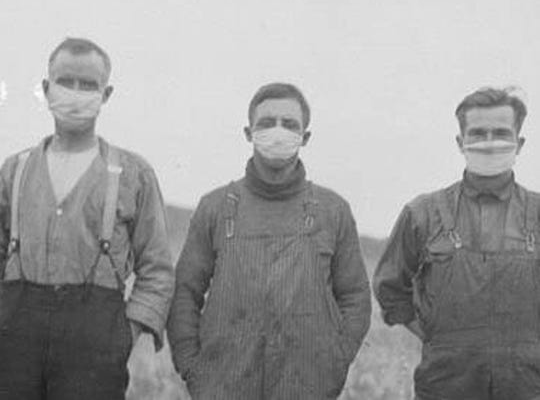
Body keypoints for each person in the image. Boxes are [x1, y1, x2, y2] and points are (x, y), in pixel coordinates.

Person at [167, 82, 371, 399]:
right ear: (248, 133)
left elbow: (356, 297)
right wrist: (193, 369)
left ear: (305, 137)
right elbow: (185, 293)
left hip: (306, 386)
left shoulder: (333, 211)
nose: (278, 132)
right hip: (222, 386)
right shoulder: (216, 207)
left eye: (289, 124)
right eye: (266, 123)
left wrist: (335, 362)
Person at [0, 37, 174, 400]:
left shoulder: (132, 173)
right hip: (15, 335)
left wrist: (128, 330)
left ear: (105, 94)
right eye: (66, 82)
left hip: (95, 339)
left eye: (88, 85)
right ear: (47, 89)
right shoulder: (14, 170)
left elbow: (157, 268)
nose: (75, 93)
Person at [374, 86, 540, 400]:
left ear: (519, 143)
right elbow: (390, 288)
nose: (490, 142)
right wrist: (439, 339)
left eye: (501, 132)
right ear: (460, 142)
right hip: (445, 386)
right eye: (478, 133)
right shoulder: (421, 214)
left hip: (529, 387)